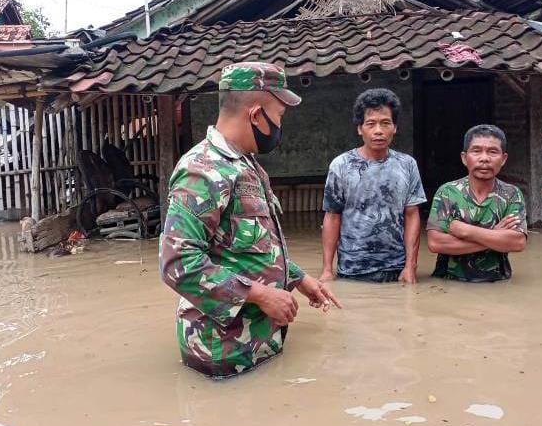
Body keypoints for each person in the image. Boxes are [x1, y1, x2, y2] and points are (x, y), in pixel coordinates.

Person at [159, 61, 342, 379]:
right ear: (256, 115)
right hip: (223, 351)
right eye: (279, 116)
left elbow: (251, 243)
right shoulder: (202, 171)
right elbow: (178, 263)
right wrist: (261, 295)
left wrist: (298, 279)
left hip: (256, 342)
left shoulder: (248, 166)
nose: (280, 127)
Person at [320, 88, 426, 284]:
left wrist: (410, 267)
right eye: (371, 124)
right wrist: (327, 269)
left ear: (394, 127)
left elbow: (412, 215)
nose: (378, 130)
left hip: (396, 270)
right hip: (352, 269)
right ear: (360, 128)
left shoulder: (407, 164)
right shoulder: (341, 165)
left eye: (385, 123)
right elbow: (333, 216)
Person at [426, 124, 527, 282]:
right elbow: (435, 243)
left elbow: (517, 242)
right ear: (464, 158)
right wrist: (495, 234)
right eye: (476, 151)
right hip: (448, 283)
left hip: (497, 281)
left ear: (503, 159)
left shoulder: (511, 194)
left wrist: (465, 231)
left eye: (493, 152)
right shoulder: (447, 192)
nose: (484, 158)